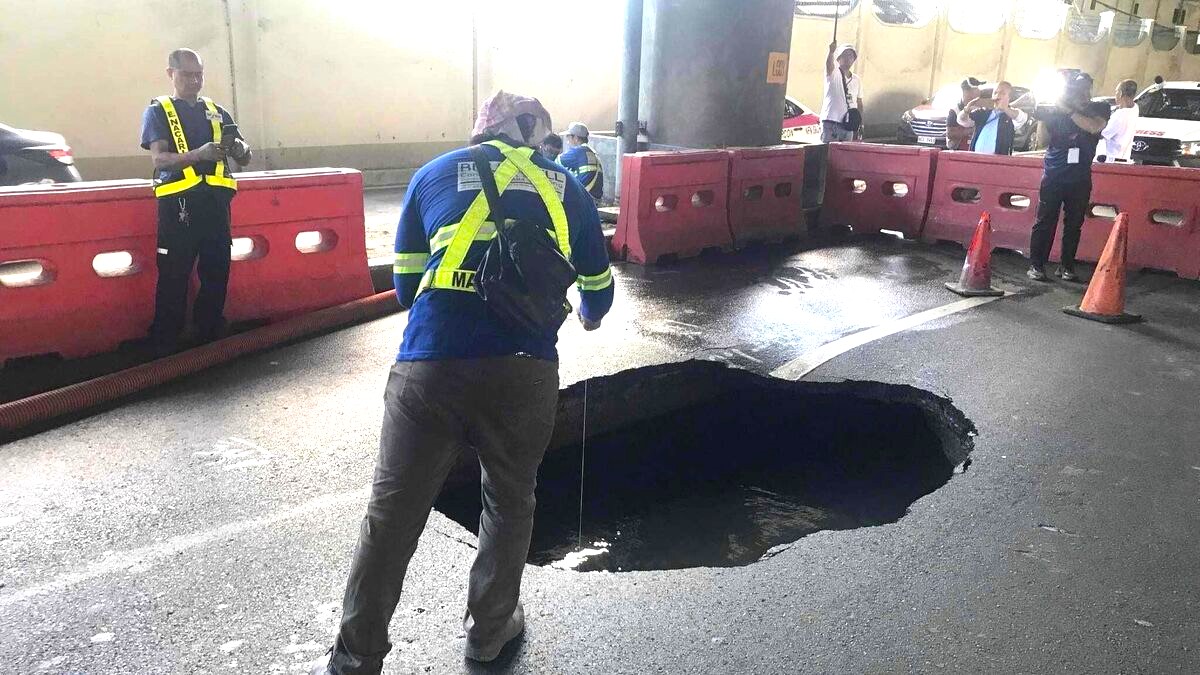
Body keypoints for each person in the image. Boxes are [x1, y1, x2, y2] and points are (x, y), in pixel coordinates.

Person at [319, 91, 614, 675]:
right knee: (509, 499)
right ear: (530, 133)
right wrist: (586, 314)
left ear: (481, 132)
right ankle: (488, 632)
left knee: (393, 512)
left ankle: (357, 654)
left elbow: (406, 287)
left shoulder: (431, 175)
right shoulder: (565, 186)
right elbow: (598, 293)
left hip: (431, 363)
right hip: (525, 366)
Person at [140, 48, 251, 351]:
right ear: (170, 74)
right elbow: (160, 160)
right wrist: (197, 155)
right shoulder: (158, 110)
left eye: (199, 74)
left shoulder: (216, 110)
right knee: (174, 273)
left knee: (217, 271)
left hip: (215, 203)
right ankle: (165, 340)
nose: (194, 80)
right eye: (187, 74)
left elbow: (244, 153)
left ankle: (210, 333)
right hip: (178, 204)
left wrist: (240, 149)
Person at [1027, 73, 1109, 282]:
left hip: (1080, 177)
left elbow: (1094, 126)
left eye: (1087, 89)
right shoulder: (1056, 113)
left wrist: (1069, 110)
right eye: (1079, 90)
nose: (1084, 94)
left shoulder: (1098, 109)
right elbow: (1042, 141)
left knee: (1074, 224)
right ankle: (1036, 264)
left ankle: (1066, 265)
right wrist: (1043, 118)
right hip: (1054, 174)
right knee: (1045, 221)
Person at [957, 81, 1030, 155]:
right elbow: (962, 121)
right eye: (995, 93)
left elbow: (1022, 118)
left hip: (997, 163)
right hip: (975, 160)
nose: (998, 95)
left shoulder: (1010, 115)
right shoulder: (983, 112)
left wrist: (1005, 108)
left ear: (1009, 98)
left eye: (1002, 93)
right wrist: (967, 109)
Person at [820, 42, 863, 143]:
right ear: (838, 59)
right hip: (831, 122)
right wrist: (831, 52)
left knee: (844, 154)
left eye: (851, 56)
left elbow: (859, 102)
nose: (848, 58)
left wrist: (861, 124)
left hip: (848, 124)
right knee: (828, 153)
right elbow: (829, 65)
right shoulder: (833, 73)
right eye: (845, 55)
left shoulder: (857, 80)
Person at [557, 122, 603, 200]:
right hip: (594, 197)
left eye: (568, 136)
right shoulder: (591, 153)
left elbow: (556, 162)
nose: (567, 141)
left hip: (583, 198)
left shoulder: (577, 151)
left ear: (576, 138)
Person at [1096, 79, 1139, 163]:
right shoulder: (1135, 108)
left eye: (1116, 91)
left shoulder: (1119, 115)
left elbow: (1102, 134)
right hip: (1126, 159)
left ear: (1121, 93)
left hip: (1112, 160)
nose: (1115, 94)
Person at [946, 77, 983, 151]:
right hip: (957, 152)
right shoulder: (954, 111)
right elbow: (950, 134)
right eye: (976, 88)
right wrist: (972, 130)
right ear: (966, 91)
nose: (979, 91)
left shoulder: (980, 108)